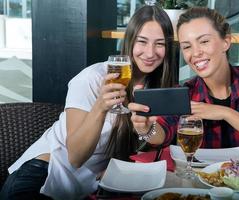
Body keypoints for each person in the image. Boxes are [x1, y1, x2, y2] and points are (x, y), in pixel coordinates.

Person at [0, 5, 175, 200]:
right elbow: (75, 158)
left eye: (159, 44)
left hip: (86, 188)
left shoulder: (158, 86)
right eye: (142, 42)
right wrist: (100, 107)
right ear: (129, 41)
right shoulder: (92, 78)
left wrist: (144, 130)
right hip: (43, 175)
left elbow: (158, 138)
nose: (150, 53)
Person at [129, 7, 239, 158]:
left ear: (226, 42)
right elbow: (162, 134)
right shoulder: (185, 93)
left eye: (204, 41)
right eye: (187, 46)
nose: (195, 53)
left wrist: (226, 113)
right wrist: (146, 129)